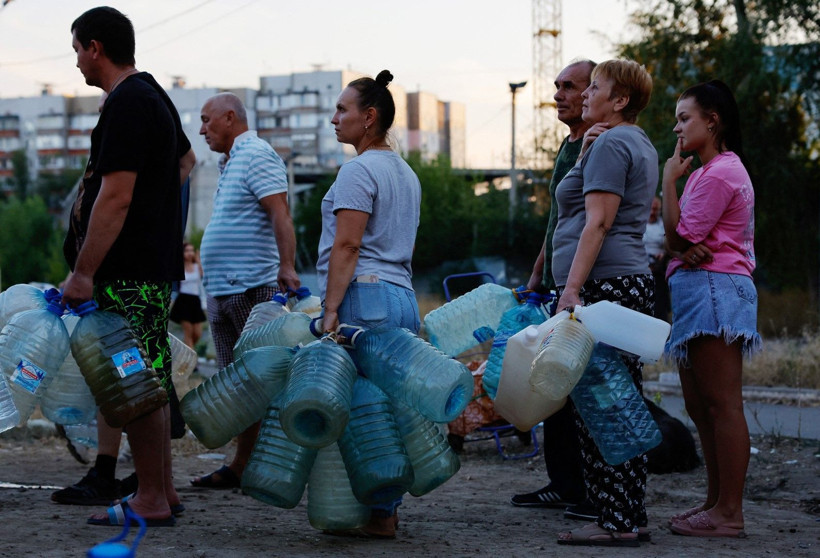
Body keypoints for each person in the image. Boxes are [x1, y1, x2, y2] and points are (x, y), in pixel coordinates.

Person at [58, 6, 195, 526]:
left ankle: (152, 499)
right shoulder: (151, 95)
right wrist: (159, 218)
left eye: (76, 50)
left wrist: (84, 272)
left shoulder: (129, 101)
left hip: (127, 273)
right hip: (145, 265)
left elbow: (114, 197)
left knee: (132, 379)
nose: (76, 63)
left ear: (95, 46)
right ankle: (162, 491)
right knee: (148, 378)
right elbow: (185, 162)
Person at [551, 59, 657, 547]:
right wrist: (581, 156)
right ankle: (625, 515)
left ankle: (615, 522)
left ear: (620, 101)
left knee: (604, 405)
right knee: (616, 402)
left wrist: (572, 290)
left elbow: (598, 223)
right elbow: (574, 204)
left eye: (596, 87)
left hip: (604, 285)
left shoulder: (615, 143)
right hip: (618, 282)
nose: (587, 93)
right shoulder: (617, 141)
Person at [317, 69, 421, 539]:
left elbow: (348, 246)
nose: (334, 118)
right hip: (401, 297)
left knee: (363, 407)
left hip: (365, 295)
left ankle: (380, 515)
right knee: (389, 408)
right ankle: (385, 510)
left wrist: (331, 308)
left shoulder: (358, 170)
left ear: (370, 117)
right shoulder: (406, 172)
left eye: (343, 109)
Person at [662, 80, 760, 538]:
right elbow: (681, 237)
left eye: (686, 118)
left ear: (713, 120)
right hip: (699, 291)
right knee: (701, 408)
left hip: (717, 290)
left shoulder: (721, 171)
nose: (678, 127)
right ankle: (715, 504)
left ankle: (729, 513)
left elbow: (678, 235)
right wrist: (683, 244)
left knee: (722, 405)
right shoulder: (705, 173)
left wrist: (667, 183)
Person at [192, 92, 300, 488]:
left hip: (250, 286)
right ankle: (241, 465)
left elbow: (280, 213)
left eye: (207, 120)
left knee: (257, 383)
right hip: (223, 289)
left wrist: (286, 266)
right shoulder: (229, 162)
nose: (202, 129)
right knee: (236, 385)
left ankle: (259, 466)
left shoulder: (256, 154)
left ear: (230, 118)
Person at [512, 59, 595, 518]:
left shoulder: (599, 144)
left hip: (585, 286)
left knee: (583, 388)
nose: (560, 94)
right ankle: (563, 483)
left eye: (571, 87)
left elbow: (597, 222)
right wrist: (537, 275)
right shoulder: (569, 145)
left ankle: (588, 489)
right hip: (559, 282)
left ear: (595, 92)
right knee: (555, 389)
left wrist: (573, 284)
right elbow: (557, 222)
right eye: (557, 86)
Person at [169, 242, 206, 352]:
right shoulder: (179, 268)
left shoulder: (196, 266)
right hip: (183, 301)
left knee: (198, 333)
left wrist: (199, 260)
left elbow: (203, 276)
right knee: (188, 333)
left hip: (195, 301)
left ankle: (186, 352)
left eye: (191, 250)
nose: (189, 253)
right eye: (187, 250)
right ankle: (192, 364)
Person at [643, 195, 671, 321]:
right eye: (651, 209)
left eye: (656, 209)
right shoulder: (639, 224)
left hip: (658, 269)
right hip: (640, 267)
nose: (653, 212)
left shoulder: (663, 225)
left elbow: (670, 245)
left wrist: (663, 254)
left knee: (660, 306)